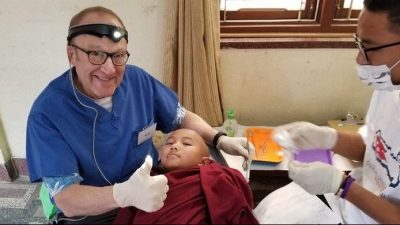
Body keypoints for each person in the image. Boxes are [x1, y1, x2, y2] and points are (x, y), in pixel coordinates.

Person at [26, 6, 252, 224]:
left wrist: (219, 138)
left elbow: (180, 116)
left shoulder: (138, 81)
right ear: (72, 55)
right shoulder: (47, 113)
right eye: (95, 54)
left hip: (153, 187)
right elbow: (68, 200)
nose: (109, 69)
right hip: (93, 212)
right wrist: (124, 195)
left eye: (118, 55)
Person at [272, 0, 400, 223]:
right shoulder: (390, 85)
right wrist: (326, 137)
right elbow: (373, 151)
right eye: (358, 44)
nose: (359, 58)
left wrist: (341, 185)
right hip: (352, 204)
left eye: (368, 47)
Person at [113, 128, 259, 224]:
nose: (174, 146)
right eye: (169, 142)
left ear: (205, 161)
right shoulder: (145, 179)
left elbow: (237, 207)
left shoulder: (217, 174)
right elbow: (126, 215)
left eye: (187, 144)